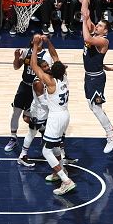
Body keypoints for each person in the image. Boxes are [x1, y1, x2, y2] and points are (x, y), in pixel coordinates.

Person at [28, 37, 77, 196]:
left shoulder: (50, 81)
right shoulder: (64, 77)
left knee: (46, 152)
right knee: (55, 146)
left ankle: (66, 180)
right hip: (65, 115)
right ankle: (59, 173)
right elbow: (55, 56)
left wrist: (35, 45)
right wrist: (48, 42)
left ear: (51, 71)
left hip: (56, 118)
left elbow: (33, 65)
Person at [81, 0, 113, 153]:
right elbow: (85, 10)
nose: (96, 26)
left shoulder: (103, 41)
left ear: (105, 31)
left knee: (96, 108)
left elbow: (87, 38)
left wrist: (85, 21)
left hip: (96, 78)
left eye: (99, 26)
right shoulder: (95, 34)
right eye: (96, 25)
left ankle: (111, 134)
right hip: (89, 76)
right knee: (93, 107)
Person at [4, 35, 58, 152]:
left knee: (30, 118)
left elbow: (48, 70)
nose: (37, 40)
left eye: (39, 39)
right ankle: (13, 138)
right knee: (16, 112)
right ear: (32, 41)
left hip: (36, 88)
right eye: (35, 38)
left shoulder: (46, 56)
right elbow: (16, 67)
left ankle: (44, 133)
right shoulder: (26, 52)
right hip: (24, 86)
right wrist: (16, 58)